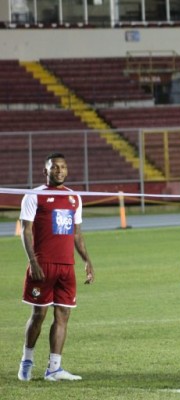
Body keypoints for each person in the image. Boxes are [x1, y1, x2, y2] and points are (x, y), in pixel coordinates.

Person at [18, 152, 95, 382]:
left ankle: (54, 368)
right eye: (54, 167)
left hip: (66, 267)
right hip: (43, 266)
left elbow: (77, 234)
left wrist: (87, 261)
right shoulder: (34, 196)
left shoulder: (74, 198)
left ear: (67, 170)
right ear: (46, 171)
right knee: (38, 314)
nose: (59, 170)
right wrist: (33, 261)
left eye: (62, 167)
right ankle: (26, 361)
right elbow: (26, 230)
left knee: (63, 316)